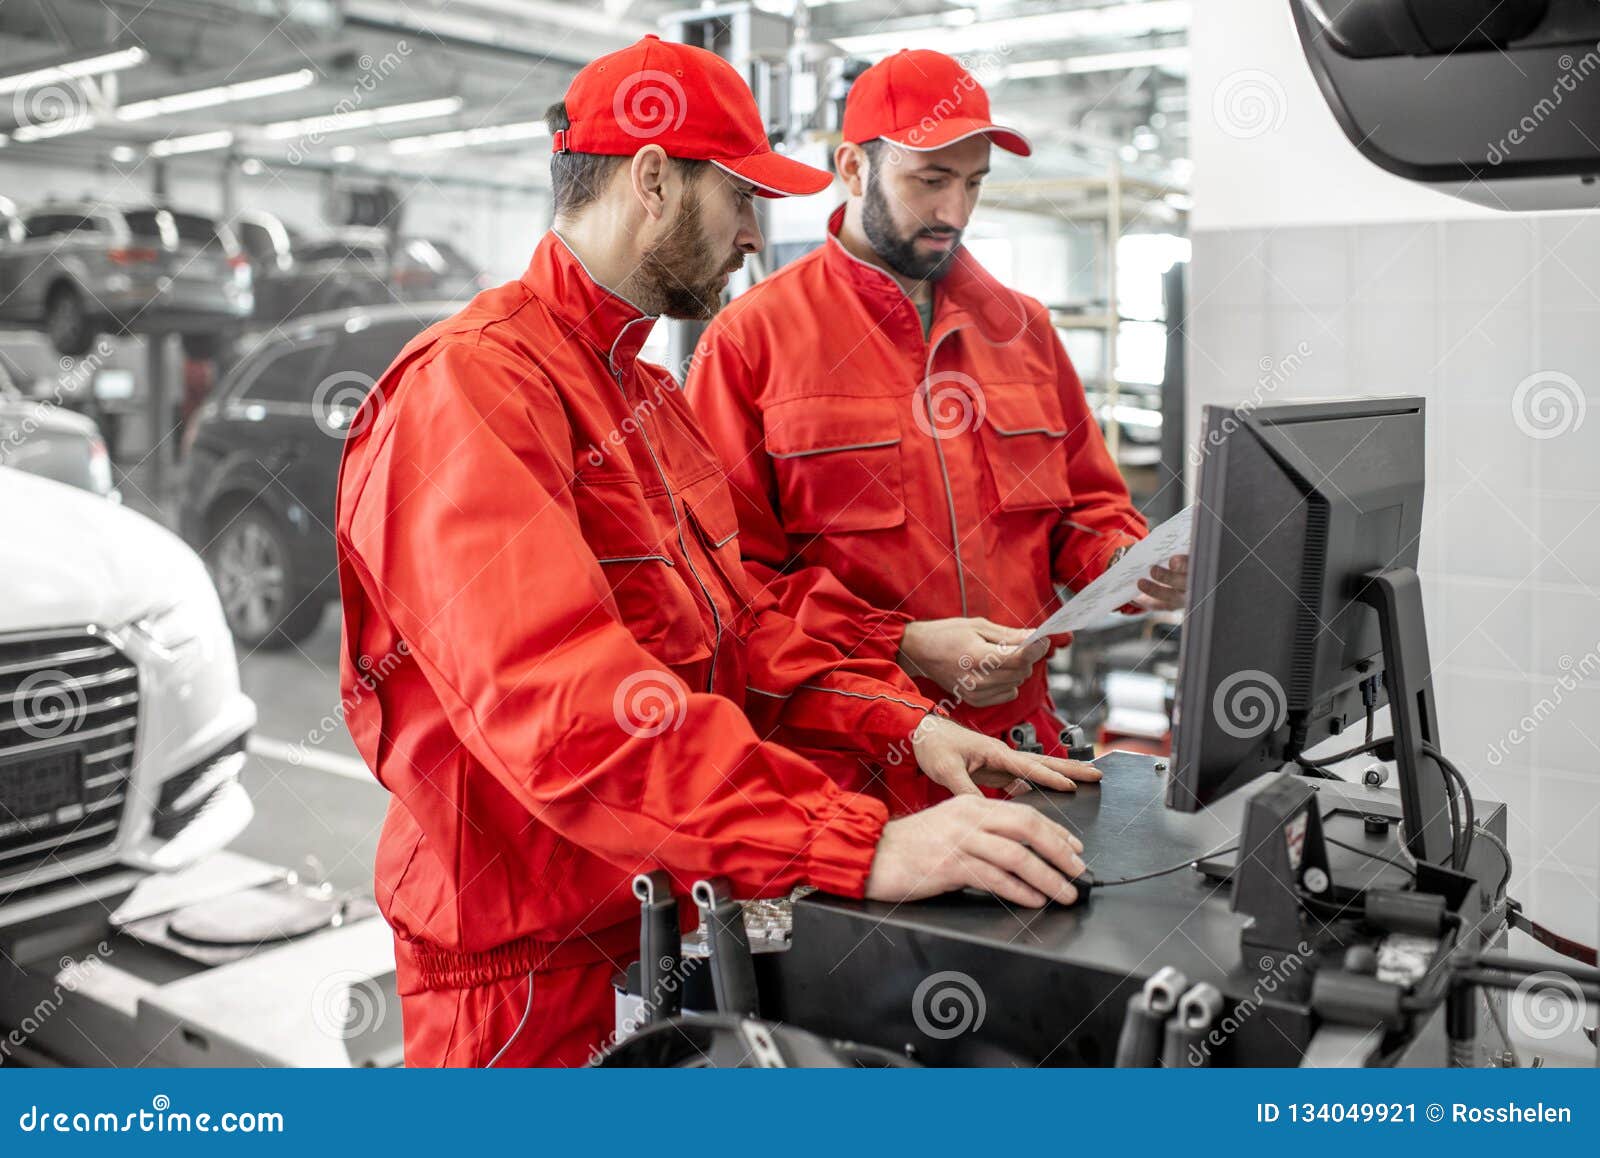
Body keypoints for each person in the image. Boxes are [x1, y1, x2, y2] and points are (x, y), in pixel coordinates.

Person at [335, 36, 1096, 1069]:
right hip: (524, 982)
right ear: (651, 179)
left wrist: (902, 726)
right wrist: (853, 842)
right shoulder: (473, 393)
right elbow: (566, 711)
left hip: (658, 922)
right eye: (737, 197)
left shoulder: (643, 397)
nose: (751, 233)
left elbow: (744, 632)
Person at [687, 49, 1188, 813]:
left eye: (974, 183)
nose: (955, 210)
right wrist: (903, 642)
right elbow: (731, 585)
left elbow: (1086, 512)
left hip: (1022, 752)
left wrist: (1128, 563)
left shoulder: (1022, 327)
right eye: (931, 180)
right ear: (854, 168)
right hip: (854, 767)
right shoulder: (752, 342)